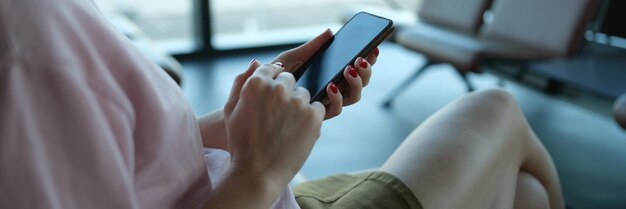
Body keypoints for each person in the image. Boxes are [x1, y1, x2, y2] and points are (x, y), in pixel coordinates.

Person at [0, 0, 564, 208]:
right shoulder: (28, 42)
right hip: (251, 191)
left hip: (242, 186)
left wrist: (236, 119)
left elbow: (122, 162)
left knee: (523, 194)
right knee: (496, 111)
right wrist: (260, 167)